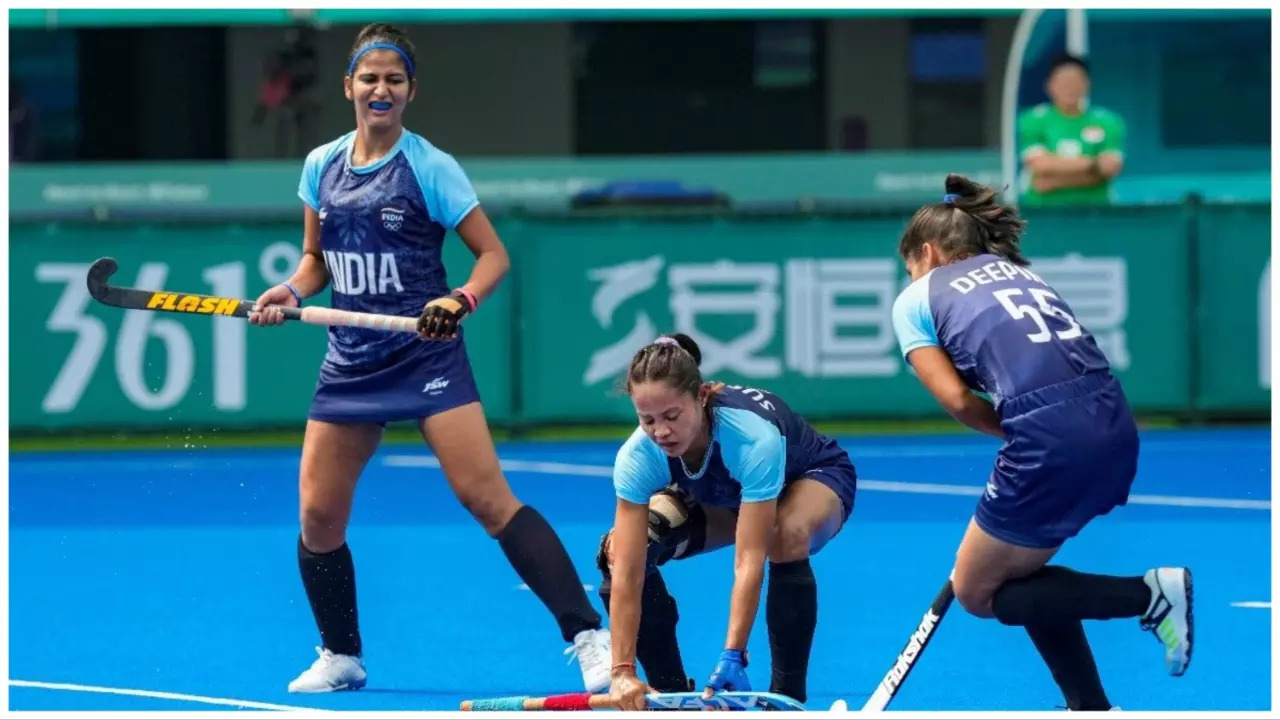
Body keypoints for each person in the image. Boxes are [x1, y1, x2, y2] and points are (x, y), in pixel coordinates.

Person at [247, 23, 611, 694]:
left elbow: (493, 255)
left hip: (425, 355)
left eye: (393, 79)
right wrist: (290, 292)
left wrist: (460, 300)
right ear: (348, 85)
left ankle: (590, 636)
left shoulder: (430, 166)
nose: (379, 89)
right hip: (350, 361)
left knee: (487, 499)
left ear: (410, 90)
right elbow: (315, 262)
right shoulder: (319, 166)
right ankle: (341, 655)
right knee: (318, 516)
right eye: (369, 77)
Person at [889, 174, 1193, 711]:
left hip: (1050, 438)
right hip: (1114, 421)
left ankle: (1147, 595)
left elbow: (958, 402)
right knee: (1018, 576)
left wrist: (1020, 434)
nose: (910, 277)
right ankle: (1090, 707)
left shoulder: (917, 297)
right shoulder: (1018, 272)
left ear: (929, 252)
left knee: (977, 593)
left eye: (910, 266)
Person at [599, 333, 858, 711]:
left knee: (782, 535)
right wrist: (621, 670)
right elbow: (628, 571)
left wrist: (733, 653)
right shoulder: (638, 455)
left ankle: (786, 699)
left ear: (701, 396)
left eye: (672, 416)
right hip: (726, 499)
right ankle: (668, 695)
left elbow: (748, 561)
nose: (661, 431)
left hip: (809, 479)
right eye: (648, 419)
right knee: (618, 550)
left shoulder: (751, 439)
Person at [1018, 53, 1126, 206]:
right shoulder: (1032, 120)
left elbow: (1110, 167)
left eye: (1075, 81)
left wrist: (1053, 180)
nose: (1069, 87)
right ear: (1049, 86)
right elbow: (1041, 166)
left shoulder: (1108, 121)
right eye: (1063, 82)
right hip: (1045, 212)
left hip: (1097, 212)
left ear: (1087, 84)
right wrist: (1094, 168)